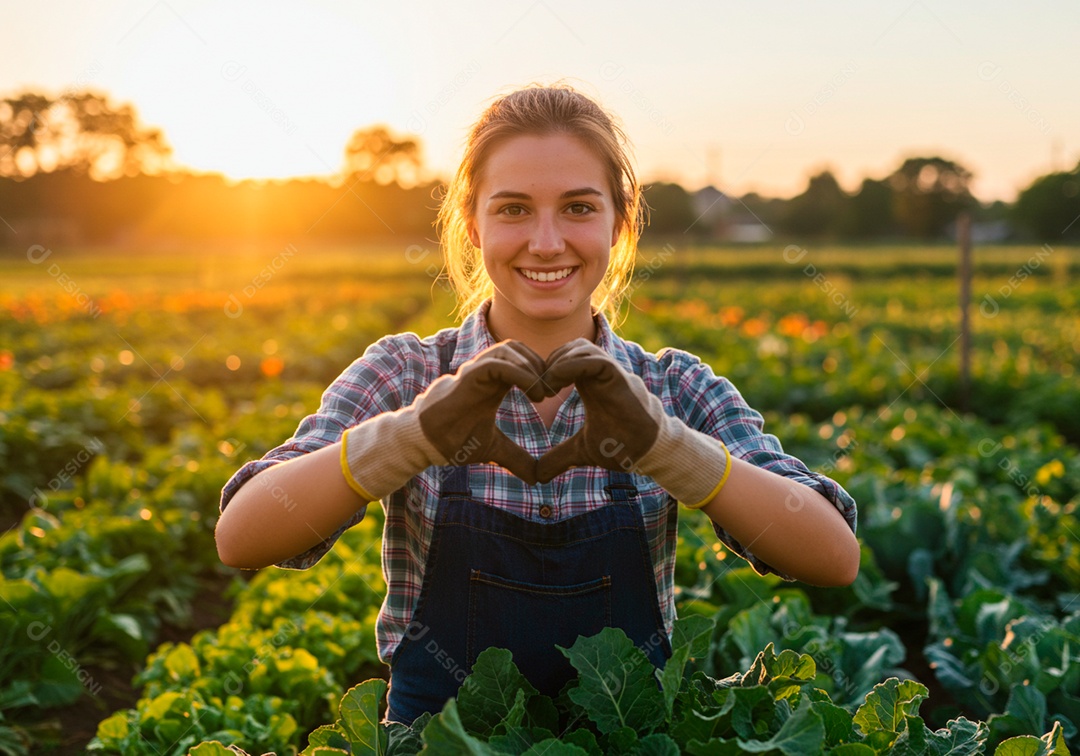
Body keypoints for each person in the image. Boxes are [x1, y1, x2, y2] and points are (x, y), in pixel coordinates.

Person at [214, 83, 860, 726]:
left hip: (625, 742)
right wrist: (411, 437)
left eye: (578, 208)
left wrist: (668, 450)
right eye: (514, 209)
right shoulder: (406, 373)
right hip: (442, 744)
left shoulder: (673, 388)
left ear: (620, 220)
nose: (546, 242)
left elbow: (832, 556)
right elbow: (243, 535)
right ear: (473, 224)